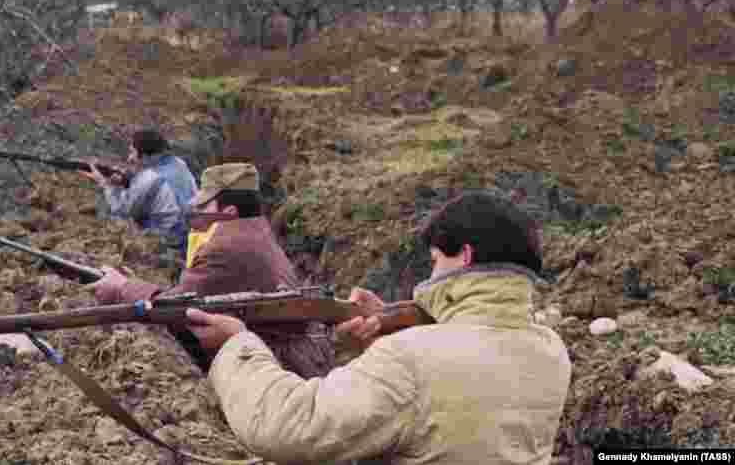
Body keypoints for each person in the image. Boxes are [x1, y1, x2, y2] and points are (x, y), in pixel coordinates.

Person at [185, 191, 573, 465]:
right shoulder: (550, 350)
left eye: (436, 261)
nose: (431, 273)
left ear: (465, 256)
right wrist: (392, 328)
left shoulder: (413, 359)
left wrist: (237, 345)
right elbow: (451, 405)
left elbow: (289, 427)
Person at [88, 162, 334, 379]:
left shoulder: (227, 247)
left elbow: (178, 309)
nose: (195, 215)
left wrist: (122, 287)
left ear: (228, 213)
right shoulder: (254, 230)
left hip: (278, 372)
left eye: (202, 207)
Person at [81, 128, 197, 245]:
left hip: (170, 237)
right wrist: (127, 179)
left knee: (111, 215)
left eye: (132, 152)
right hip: (191, 229)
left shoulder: (148, 177)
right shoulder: (178, 163)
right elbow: (158, 183)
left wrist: (105, 184)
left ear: (146, 155)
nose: (129, 158)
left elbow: (121, 210)